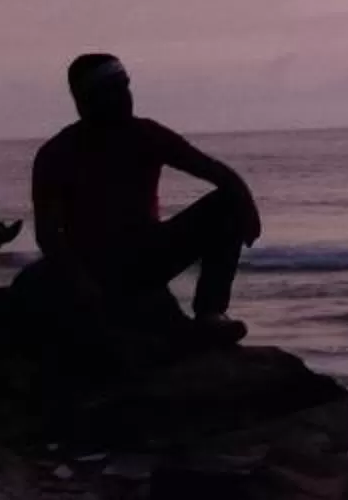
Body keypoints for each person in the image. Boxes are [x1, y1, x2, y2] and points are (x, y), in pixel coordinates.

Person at [31, 53, 261, 337]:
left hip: (147, 255)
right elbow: (47, 233)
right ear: (85, 100)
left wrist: (246, 207)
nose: (124, 97)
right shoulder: (58, 153)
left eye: (124, 86)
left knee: (227, 203)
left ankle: (210, 312)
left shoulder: (146, 134)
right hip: (96, 264)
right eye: (111, 90)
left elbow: (218, 174)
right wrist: (80, 282)